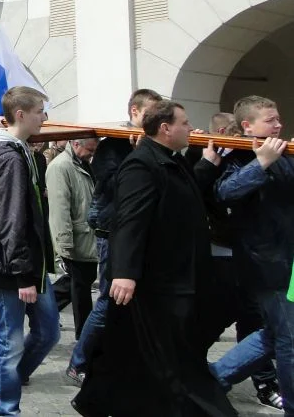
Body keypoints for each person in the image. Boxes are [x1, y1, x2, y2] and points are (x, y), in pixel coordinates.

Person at [73, 100, 236, 417]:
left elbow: (181, 194)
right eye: (185, 122)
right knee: (153, 350)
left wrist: (207, 164)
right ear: (165, 128)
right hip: (154, 278)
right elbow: (129, 221)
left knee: (144, 350)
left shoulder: (168, 160)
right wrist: (124, 272)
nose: (191, 128)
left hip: (174, 274)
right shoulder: (141, 165)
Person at [0, 87, 60, 417]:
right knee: (10, 340)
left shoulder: (18, 149)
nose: (45, 117)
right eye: (39, 110)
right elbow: (13, 219)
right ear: (21, 114)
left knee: (49, 331)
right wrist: (23, 272)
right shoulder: (9, 157)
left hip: (29, 264)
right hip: (12, 267)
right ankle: (6, 409)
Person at [67, 88, 163, 385]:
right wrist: (139, 155)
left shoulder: (151, 143)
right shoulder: (113, 146)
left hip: (141, 232)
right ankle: (78, 363)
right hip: (113, 231)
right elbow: (112, 186)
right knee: (110, 299)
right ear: (134, 112)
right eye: (150, 113)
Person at [208, 96, 293, 414]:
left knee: (274, 335)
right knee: (289, 339)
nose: (278, 124)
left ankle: (213, 379)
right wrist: (262, 163)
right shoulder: (240, 154)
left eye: (278, 118)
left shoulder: (281, 151)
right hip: (265, 263)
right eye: (271, 120)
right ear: (248, 126)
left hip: (289, 259)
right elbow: (224, 193)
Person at [46, 137, 100, 340]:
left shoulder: (81, 163)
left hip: (84, 236)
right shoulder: (61, 167)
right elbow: (60, 210)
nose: (92, 154)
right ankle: (84, 336)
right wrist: (64, 244)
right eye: (90, 149)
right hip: (76, 238)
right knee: (80, 289)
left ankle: (41, 309)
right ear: (76, 144)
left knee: (78, 284)